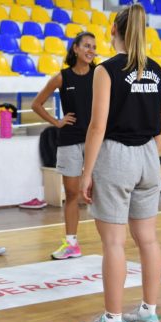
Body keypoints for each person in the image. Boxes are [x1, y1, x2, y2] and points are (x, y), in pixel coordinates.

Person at [77, 4, 161, 322]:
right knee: (148, 240)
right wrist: (149, 154)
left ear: (113, 29)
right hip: (148, 155)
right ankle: (149, 313)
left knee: (114, 242)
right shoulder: (157, 70)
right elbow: (160, 124)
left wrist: (86, 172)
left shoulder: (106, 69)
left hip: (116, 156)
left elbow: (97, 126)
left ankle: (112, 320)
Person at [32, 31, 96, 260]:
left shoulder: (100, 74)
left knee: (101, 192)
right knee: (71, 194)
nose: (91, 50)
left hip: (95, 141)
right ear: (75, 49)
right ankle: (71, 244)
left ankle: (111, 241)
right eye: (86, 46)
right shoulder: (62, 77)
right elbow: (36, 104)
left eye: (93, 47)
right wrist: (57, 122)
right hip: (69, 141)